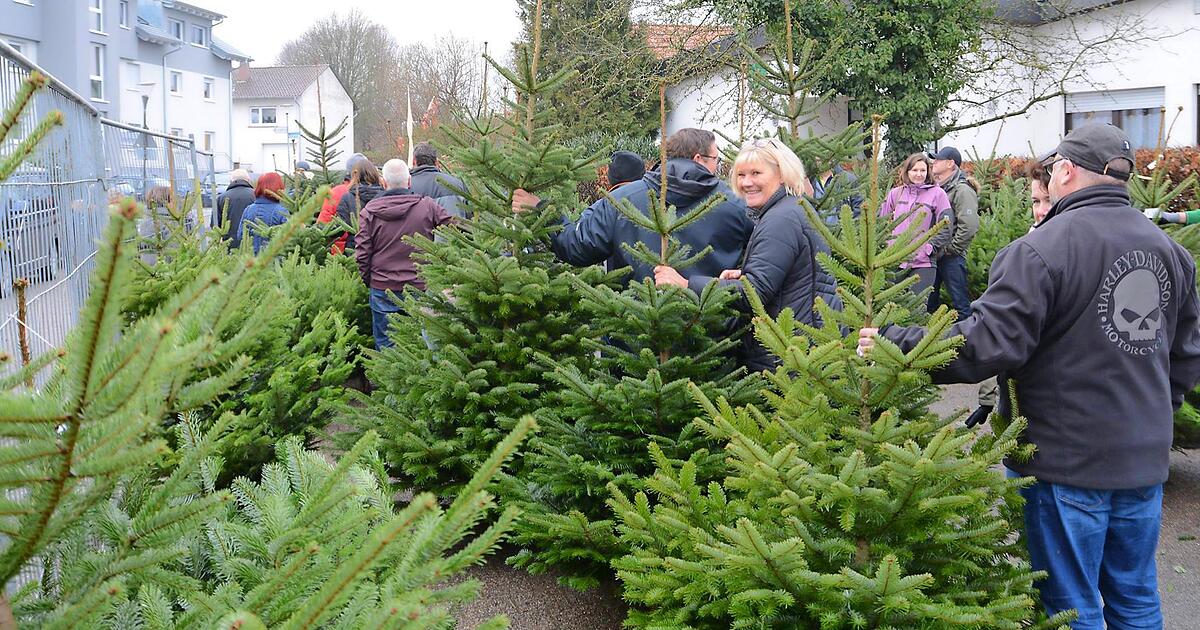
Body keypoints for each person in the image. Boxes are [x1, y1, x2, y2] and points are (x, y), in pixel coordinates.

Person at [858, 123, 1200, 628]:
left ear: (1064, 171)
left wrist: (897, 342)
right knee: (1136, 597)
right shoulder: (1170, 251)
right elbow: (1187, 354)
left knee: (1070, 606)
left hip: (1065, 463)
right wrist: (1151, 417)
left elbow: (989, 344)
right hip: (1142, 459)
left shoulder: (1041, 249)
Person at [654, 137, 840, 372]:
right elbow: (791, 276)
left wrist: (686, 284)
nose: (746, 182)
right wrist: (746, 275)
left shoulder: (780, 220)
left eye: (756, 173)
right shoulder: (790, 209)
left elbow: (754, 294)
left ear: (781, 174)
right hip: (802, 346)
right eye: (741, 175)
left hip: (789, 357)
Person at [511, 128, 754, 283]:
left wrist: (541, 209)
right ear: (698, 159)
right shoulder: (736, 205)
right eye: (716, 159)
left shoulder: (622, 200)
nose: (718, 166)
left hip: (633, 344)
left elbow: (576, 246)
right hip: (713, 347)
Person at [971, 159, 1054, 425]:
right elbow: (996, 328)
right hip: (1021, 404)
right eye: (1035, 202)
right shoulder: (1022, 253)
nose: (1041, 211)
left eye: (1049, 201)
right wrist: (987, 399)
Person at [355, 159, 456, 350]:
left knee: (386, 344)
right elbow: (455, 228)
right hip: (421, 285)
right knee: (424, 342)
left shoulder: (369, 212)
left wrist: (370, 279)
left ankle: (384, 380)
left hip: (383, 286)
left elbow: (362, 253)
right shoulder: (427, 206)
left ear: (383, 182)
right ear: (409, 182)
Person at [878, 153, 951, 297]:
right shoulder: (895, 193)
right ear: (907, 171)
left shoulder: (938, 194)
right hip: (894, 260)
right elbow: (880, 221)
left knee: (917, 307)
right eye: (914, 170)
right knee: (890, 307)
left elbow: (946, 227)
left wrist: (929, 249)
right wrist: (887, 245)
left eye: (922, 170)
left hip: (923, 263)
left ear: (928, 172)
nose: (919, 174)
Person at [928, 146, 980, 320]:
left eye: (938, 159)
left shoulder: (962, 190)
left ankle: (968, 343)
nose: (933, 163)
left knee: (961, 305)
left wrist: (950, 249)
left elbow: (969, 226)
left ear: (950, 163)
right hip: (934, 254)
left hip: (951, 257)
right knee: (928, 302)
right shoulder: (938, 188)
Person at [318, 153, 366, 254]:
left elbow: (324, 223)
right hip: (368, 250)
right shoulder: (377, 191)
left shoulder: (335, 192)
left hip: (339, 253)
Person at [334, 157, 385, 251]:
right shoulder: (385, 196)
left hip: (354, 249)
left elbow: (339, 228)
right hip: (381, 248)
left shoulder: (347, 198)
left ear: (354, 175)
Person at [237, 172, 289, 254]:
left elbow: (240, 236)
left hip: (251, 261)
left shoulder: (248, 210)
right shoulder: (282, 211)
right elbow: (288, 239)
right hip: (273, 261)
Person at [213, 169, 256, 247]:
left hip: (229, 245)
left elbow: (215, 224)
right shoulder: (256, 196)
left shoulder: (221, 198)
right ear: (248, 180)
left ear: (231, 180)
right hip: (252, 244)